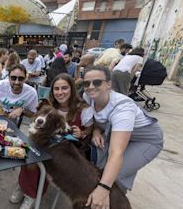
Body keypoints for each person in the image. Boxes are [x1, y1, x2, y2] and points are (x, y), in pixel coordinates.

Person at [81, 66, 163, 208]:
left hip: (145, 141)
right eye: (86, 83)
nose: (90, 87)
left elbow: (116, 153)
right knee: (100, 168)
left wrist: (103, 188)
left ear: (109, 84)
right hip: (117, 134)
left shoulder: (122, 108)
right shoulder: (88, 96)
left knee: (115, 176)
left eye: (97, 82)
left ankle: (115, 203)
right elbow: (96, 119)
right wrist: (96, 131)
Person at [10, 73, 93, 209]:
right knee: (27, 151)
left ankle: (31, 194)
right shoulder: (49, 104)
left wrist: (82, 132)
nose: (60, 92)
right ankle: (23, 186)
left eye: (64, 88)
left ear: (72, 89)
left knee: (37, 160)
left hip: (66, 150)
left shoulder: (83, 109)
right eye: (56, 89)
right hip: (44, 142)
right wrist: (22, 109)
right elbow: (35, 117)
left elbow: (89, 130)